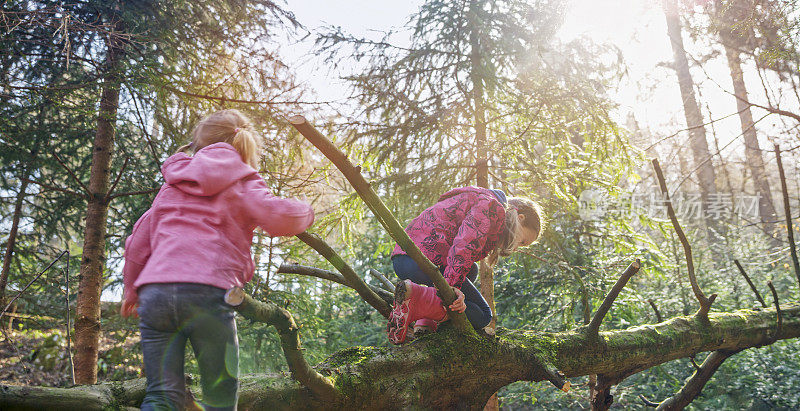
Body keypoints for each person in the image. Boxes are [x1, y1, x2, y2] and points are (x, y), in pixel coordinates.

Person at [120, 109, 314, 410]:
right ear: (245, 144)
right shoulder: (243, 179)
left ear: (200, 144)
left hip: (155, 292)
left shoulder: (172, 184)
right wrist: (307, 211)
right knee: (220, 396)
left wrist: (131, 290)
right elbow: (278, 217)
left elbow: (138, 243)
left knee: (160, 395)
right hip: (207, 291)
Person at [387, 186, 543, 344]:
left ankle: (426, 320)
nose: (516, 247)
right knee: (483, 315)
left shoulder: (481, 198)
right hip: (421, 261)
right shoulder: (491, 206)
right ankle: (416, 300)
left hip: (404, 258)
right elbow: (464, 245)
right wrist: (451, 287)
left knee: (471, 271)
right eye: (522, 242)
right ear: (520, 218)